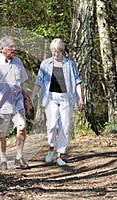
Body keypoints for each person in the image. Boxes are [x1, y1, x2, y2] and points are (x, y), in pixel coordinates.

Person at [31, 38, 85, 166]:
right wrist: (32, 96)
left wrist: (81, 99)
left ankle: (60, 155)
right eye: (54, 52)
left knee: (64, 126)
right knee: (52, 125)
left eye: (58, 52)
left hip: (66, 98)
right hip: (51, 98)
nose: (56, 54)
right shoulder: (45, 64)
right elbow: (38, 82)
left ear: (62, 51)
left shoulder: (70, 64)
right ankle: (50, 148)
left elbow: (77, 82)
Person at [0, 36, 32, 171]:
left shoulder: (18, 62)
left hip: (17, 101)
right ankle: (3, 159)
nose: (14, 49)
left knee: (22, 127)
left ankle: (19, 157)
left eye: (14, 46)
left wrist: (26, 99)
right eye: (11, 47)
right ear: (1, 49)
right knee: (1, 133)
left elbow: (22, 84)